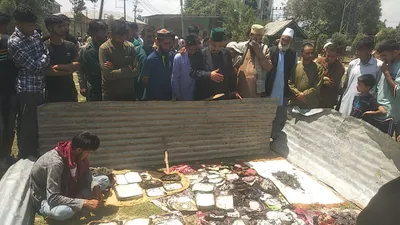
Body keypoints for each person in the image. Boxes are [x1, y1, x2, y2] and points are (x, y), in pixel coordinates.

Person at [30, 131, 110, 221]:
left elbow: (86, 173)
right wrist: (85, 202)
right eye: (88, 152)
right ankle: (78, 206)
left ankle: (78, 204)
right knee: (64, 211)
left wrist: (95, 187)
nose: (89, 155)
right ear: (79, 150)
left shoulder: (75, 153)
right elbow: (53, 198)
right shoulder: (56, 163)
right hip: (46, 198)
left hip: (70, 188)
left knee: (104, 180)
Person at [8, 5, 50, 159]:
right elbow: (34, 66)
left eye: (33, 24)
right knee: (27, 124)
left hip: (39, 87)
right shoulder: (14, 42)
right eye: (29, 24)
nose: (32, 27)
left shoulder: (35, 36)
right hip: (27, 89)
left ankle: (36, 152)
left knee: (39, 122)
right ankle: (25, 155)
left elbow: (46, 53)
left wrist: (42, 60)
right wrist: (43, 60)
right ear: (18, 23)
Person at [266, 28, 297, 139]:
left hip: (284, 89)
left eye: (287, 41)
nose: (284, 42)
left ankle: (275, 136)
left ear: (291, 42)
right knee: (267, 113)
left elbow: (293, 72)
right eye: (283, 40)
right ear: (280, 38)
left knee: (279, 113)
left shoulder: (293, 54)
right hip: (271, 87)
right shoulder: (271, 50)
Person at [190, 28, 237, 100]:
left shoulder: (226, 53)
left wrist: (233, 90)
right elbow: (192, 72)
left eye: (219, 46)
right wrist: (209, 75)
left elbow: (230, 74)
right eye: (214, 45)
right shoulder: (200, 54)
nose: (216, 49)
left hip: (223, 97)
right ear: (209, 42)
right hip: (205, 97)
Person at [339, 37, 383, 116]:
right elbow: (346, 84)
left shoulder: (379, 66)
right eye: (357, 49)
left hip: (363, 107)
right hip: (347, 103)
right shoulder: (353, 64)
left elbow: (379, 88)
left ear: (370, 50)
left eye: (361, 49)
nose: (357, 52)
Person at [43, 15, 79, 103]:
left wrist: (57, 67)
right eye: (59, 27)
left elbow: (77, 65)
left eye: (63, 26)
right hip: (52, 93)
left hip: (70, 91)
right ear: (50, 28)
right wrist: (68, 69)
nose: (63, 29)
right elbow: (46, 70)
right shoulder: (43, 46)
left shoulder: (70, 45)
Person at [99, 20, 137, 101]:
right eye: (118, 37)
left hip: (128, 92)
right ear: (111, 34)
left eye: (123, 36)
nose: (120, 40)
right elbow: (107, 75)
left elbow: (136, 71)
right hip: (111, 93)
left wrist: (115, 70)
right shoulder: (105, 49)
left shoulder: (130, 47)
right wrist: (126, 70)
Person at [0, 13, 18, 167]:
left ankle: (4, 156)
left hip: (9, 91)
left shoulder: (8, 42)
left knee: (8, 124)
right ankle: (4, 156)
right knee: (7, 124)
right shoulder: (9, 41)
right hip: (9, 91)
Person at [236, 24, 273, 98]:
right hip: (241, 84)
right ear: (250, 35)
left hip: (256, 87)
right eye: (254, 36)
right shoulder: (241, 46)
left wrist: (259, 52)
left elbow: (268, 68)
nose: (257, 39)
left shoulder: (264, 49)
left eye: (259, 36)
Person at [140, 29, 175, 101]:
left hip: (169, 98)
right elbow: (145, 81)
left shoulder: (172, 56)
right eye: (165, 44)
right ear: (158, 43)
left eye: (169, 43)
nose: (167, 46)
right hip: (154, 99)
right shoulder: (150, 60)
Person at [78, 20, 108, 101]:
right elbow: (82, 69)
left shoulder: (108, 46)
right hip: (96, 89)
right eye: (103, 31)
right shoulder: (89, 51)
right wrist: (82, 85)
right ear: (94, 33)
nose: (106, 34)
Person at [376, 40, 400, 138]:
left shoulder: (390, 68)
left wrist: (386, 73)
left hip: (389, 117)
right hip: (377, 111)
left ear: (395, 53)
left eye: (384, 55)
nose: (382, 59)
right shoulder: (386, 64)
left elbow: (396, 92)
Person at [288, 43, 323, 109]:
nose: (310, 55)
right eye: (307, 53)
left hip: (310, 103)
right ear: (302, 53)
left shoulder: (318, 68)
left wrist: (305, 94)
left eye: (312, 53)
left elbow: (317, 85)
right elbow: (290, 82)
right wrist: (298, 94)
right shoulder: (296, 67)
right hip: (296, 101)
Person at [171, 34, 200, 101]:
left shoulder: (199, 56)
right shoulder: (178, 58)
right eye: (191, 49)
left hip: (196, 96)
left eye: (195, 49)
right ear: (186, 47)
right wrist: (178, 96)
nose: (193, 51)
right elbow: (174, 79)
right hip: (181, 95)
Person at [316, 44, 345, 108]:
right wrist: (324, 78)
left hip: (328, 99)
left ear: (337, 55)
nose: (330, 58)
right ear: (325, 53)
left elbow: (330, 84)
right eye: (328, 56)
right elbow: (312, 76)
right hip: (315, 98)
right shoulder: (319, 61)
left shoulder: (339, 68)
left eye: (333, 56)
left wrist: (321, 78)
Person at [136, 26, 156, 100]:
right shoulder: (136, 51)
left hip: (153, 92)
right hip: (138, 91)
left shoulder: (157, 53)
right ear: (142, 37)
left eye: (153, 37)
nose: (151, 39)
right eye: (149, 37)